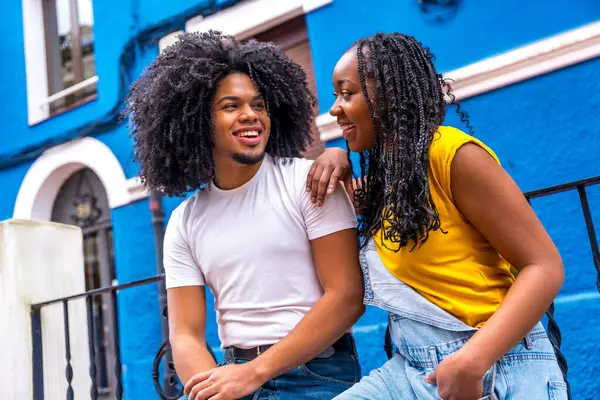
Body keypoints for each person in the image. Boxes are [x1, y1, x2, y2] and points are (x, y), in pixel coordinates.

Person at [307, 32, 568, 399]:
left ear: (389, 95)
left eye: (347, 93)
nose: (335, 108)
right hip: (410, 367)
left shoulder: (455, 155)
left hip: (494, 363)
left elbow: (545, 267)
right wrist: (335, 156)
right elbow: (339, 201)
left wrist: (473, 360)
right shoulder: (388, 180)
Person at [125, 31, 365, 400]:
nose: (251, 115)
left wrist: (253, 373)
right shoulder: (185, 222)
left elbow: (347, 297)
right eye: (231, 106)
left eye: (259, 104)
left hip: (319, 375)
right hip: (233, 378)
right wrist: (212, 388)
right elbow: (185, 333)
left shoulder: (309, 180)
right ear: (198, 121)